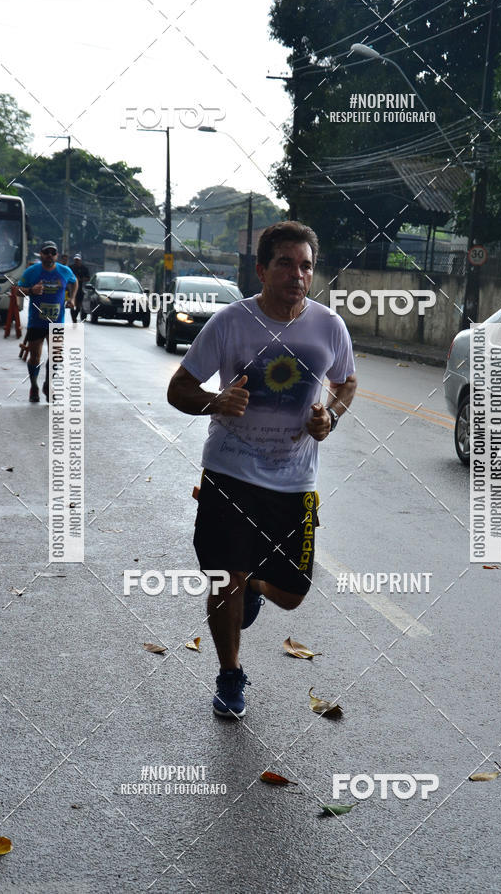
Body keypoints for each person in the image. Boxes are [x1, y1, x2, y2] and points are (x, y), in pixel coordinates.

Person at [167, 221, 357, 718]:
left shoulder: (328, 326)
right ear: (262, 269)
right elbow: (178, 388)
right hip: (229, 474)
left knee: (293, 594)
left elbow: (346, 381)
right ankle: (230, 674)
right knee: (223, 576)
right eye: (286, 263)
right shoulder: (231, 322)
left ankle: (254, 584)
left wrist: (329, 414)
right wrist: (215, 400)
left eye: (306, 265)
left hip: (294, 480)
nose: (298, 275)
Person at [17, 241, 77, 403]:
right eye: (46, 252)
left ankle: (48, 385)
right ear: (41, 254)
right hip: (37, 322)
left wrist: (72, 298)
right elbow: (16, 290)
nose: (50, 255)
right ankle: (34, 386)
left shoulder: (64, 271)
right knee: (35, 356)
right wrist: (31, 290)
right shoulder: (32, 272)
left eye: (53, 252)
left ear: (57, 255)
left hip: (56, 322)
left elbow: (74, 281)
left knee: (56, 356)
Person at [69, 253, 90, 323]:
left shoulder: (84, 269)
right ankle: (73, 319)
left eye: (78, 260)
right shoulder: (70, 268)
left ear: (80, 260)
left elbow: (88, 278)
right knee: (71, 304)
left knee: (78, 306)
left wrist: (80, 279)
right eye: (75, 260)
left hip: (80, 289)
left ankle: (75, 316)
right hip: (71, 289)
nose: (76, 261)